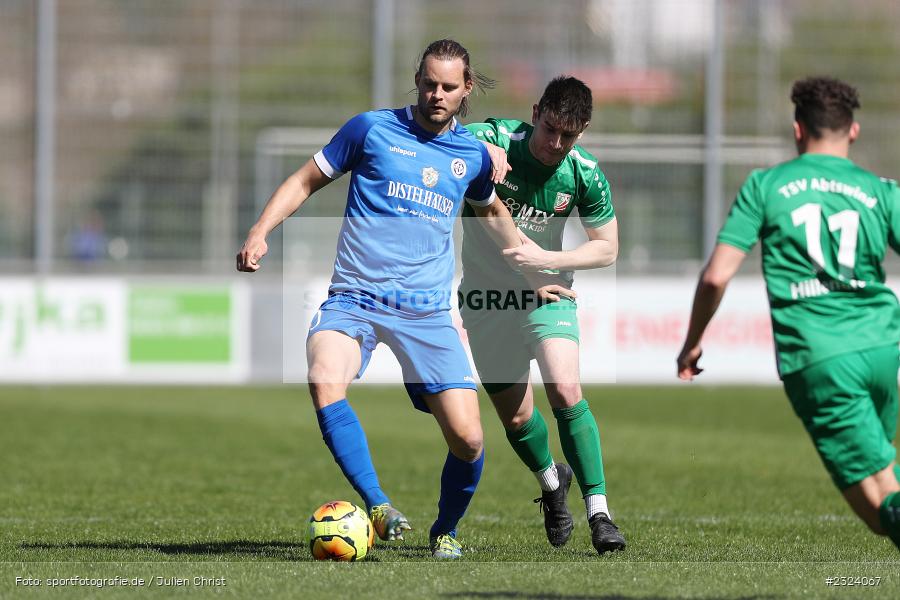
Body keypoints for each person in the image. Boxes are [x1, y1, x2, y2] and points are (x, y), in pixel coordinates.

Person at [237, 39, 538, 559]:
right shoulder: (371, 129)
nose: (436, 94)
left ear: (467, 89)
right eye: (428, 83)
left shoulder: (471, 155)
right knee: (323, 377)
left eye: (448, 87)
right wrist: (262, 229)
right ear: (417, 79)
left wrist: (535, 268)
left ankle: (445, 529)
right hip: (356, 298)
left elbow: (490, 212)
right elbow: (307, 179)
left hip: (426, 312)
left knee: (469, 441)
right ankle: (377, 506)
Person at [676, 76, 900, 551]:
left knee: (885, 510)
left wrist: (693, 340)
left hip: (820, 358)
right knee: (886, 484)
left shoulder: (767, 186)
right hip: (884, 349)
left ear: (798, 130)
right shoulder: (881, 190)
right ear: (853, 132)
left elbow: (716, 276)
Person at [458, 76, 626, 555]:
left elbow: (607, 248)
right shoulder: (494, 140)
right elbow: (444, 137)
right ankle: (553, 485)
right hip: (485, 300)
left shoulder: (584, 173)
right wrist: (477, 152)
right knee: (516, 419)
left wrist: (549, 262)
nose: (555, 144)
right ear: (535, 112)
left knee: (566, 389)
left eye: (568, 136)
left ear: (583, 131)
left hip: (546, 294)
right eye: (550, 129)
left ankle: (600, 513)